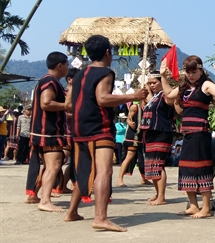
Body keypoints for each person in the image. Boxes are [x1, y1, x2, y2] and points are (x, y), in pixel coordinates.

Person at [63, 34, 148, 231]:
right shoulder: (106, 73)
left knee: (85, 171)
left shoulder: (78, 76)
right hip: (98, 128)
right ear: (108, 52)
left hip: (79, 128)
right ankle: (100, 217)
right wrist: (133, 95)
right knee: (104, 171)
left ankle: (72, 212)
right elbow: (102, 99)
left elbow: (68, 105)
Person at [162, 56, 215, 218]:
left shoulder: (206, 85)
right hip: (188, 134)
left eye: (194, 71)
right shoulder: (184, 88)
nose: (191, 75)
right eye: (188, 72)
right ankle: (193, 205)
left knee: (201, 167)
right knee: (186, 167)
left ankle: (206, 208)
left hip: (200, 133)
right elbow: (169, 95)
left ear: (201, 70)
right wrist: (164, 76)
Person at [24, 52, 69, 211]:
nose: (67, 68)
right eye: (67, 64)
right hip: (48, 131)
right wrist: (66, 106)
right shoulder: (50, 81)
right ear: (60, 66)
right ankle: (45, 200)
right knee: (54, 165)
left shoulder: (45, 80)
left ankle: (33, 195)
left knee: (43, 165)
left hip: (42, 130)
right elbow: (46, 103)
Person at [140, 70, 176, 206]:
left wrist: (163, 77)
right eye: (150, 84)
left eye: (154, 83)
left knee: (158, 164)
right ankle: (157, 193)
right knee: (151, 165)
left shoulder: (166, 96)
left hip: (161, 132)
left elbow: (169, 95)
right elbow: (147, 93)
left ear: (162, 83)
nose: (152, 85)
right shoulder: (154, 98)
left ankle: (162, 196)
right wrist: (148, 83)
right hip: (150, 132)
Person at [116, 94, 149, 187]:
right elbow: (128, 119)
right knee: (129, 156)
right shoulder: (135, 107)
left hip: (141, 137)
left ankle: (144, 179)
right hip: (133, 136)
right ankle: (119, 179)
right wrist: (129, 122)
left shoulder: (148, 108)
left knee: (142, 158)